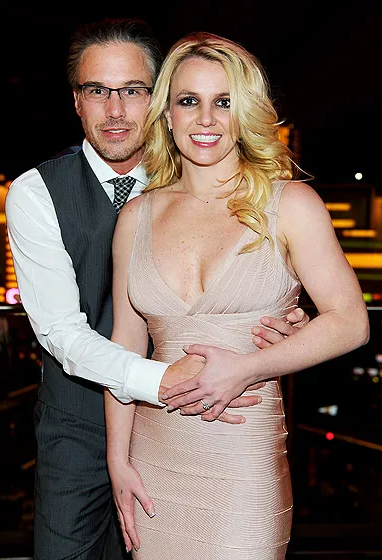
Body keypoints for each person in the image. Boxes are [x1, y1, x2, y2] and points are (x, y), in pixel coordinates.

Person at [5, 19, 308, 560]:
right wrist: (160, 380)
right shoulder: (36, 192)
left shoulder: (200, 173)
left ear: (160, 98)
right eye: (97, 91)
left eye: (132, 90)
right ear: (76, 100)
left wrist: (282, 313)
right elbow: (61, 332)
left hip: (202, 421)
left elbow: (266, 273)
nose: (115, 110)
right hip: (78, 428)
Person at [104, 31, 370, 559]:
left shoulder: (291, 204)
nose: (206, 119)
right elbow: (125, 345)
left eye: (223, 102)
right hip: (153, 457)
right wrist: (117, 459)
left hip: (243, 458)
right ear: (167, 114)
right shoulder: (136, 216)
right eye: (189, 101)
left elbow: (350, 321)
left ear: (244, 113)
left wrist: (250, 366)